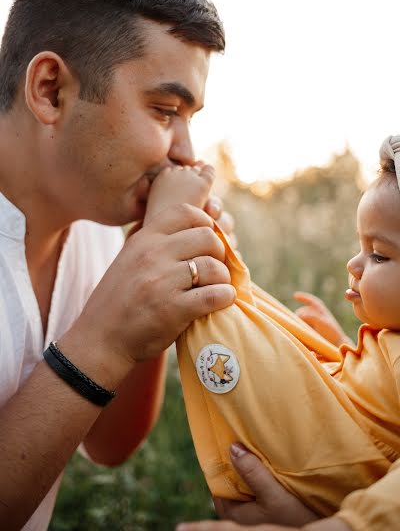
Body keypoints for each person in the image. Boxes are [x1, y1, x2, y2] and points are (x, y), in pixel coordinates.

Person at [0, 0, 239, 530]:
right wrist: (103, 339)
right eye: (164, 110)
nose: (186, 153)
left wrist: (153, 291)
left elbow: (109, 444)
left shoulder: (99, 226)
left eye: (190, 120)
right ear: (51, 89)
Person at [141, 137, 400, 531]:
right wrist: (342, 349)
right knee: (250, 309)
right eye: (361, 247)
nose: (355, 262)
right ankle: (199, 242)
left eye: (379, 255)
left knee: (217, 312)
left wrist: (348, 525)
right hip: (336, 452)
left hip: (334, 472)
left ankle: (176, 231)